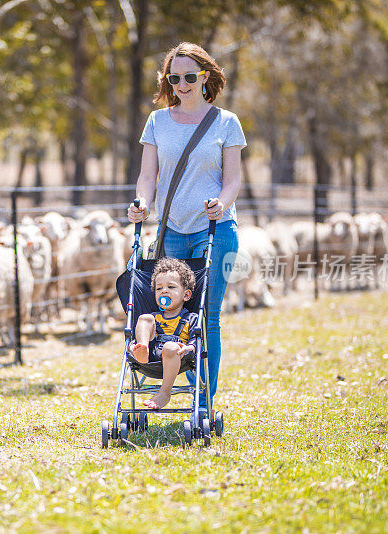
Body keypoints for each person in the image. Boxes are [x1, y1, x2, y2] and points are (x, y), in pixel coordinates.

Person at [127, 42, 245, 416]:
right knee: (175, 319)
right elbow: (148, 176)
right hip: (172, 231)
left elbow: (233, 180)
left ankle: (203, 403)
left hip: (217, 229)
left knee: (207, 318)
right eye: (173, 77)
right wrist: (142, 204)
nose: (181, 84)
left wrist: (222, 203)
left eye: (189, 77)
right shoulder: (157, 122)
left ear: (205, 77)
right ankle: (168, 387)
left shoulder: (227, 122)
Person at [129, 257, 198, 409]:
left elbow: (195, 340)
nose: (164, 291)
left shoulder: (191, 318)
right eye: (159, 289)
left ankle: (165, 392)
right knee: (144, 318)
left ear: (186, 295)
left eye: (171, 287)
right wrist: (136, 345)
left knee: (170, 347)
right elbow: (146, 322)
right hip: (151, 354)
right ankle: (141, 348)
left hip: (176, 355)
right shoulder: (154, 317)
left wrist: (188, 348)